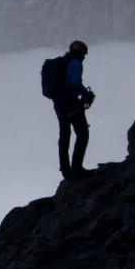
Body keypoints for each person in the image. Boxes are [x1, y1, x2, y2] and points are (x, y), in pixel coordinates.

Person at [54, 40, 94, 179]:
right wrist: (85, 93)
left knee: (64, 136)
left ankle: (65, 170)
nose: (84, 57)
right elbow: (75, 82)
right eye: (83, 54)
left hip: (58, 104)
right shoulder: (75, 64)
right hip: (71, 102)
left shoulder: (62, 63)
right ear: (79, 53)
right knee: (82, 134)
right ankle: (76, 168)